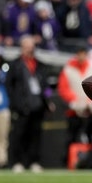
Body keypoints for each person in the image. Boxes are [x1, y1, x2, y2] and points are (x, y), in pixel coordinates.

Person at [5, 35, 55, 173]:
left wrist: (48, 101)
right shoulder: (15, 65)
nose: (30, 50)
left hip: (37, 105)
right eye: (27, 47)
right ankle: (17, 162)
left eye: (31, 47)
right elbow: (9, 86)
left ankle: (34, 161)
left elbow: (45, 86)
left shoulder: (39, 65)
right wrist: (15, 103)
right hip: (22, 106)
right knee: (19, 135)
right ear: (22, 48)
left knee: (35, 135)